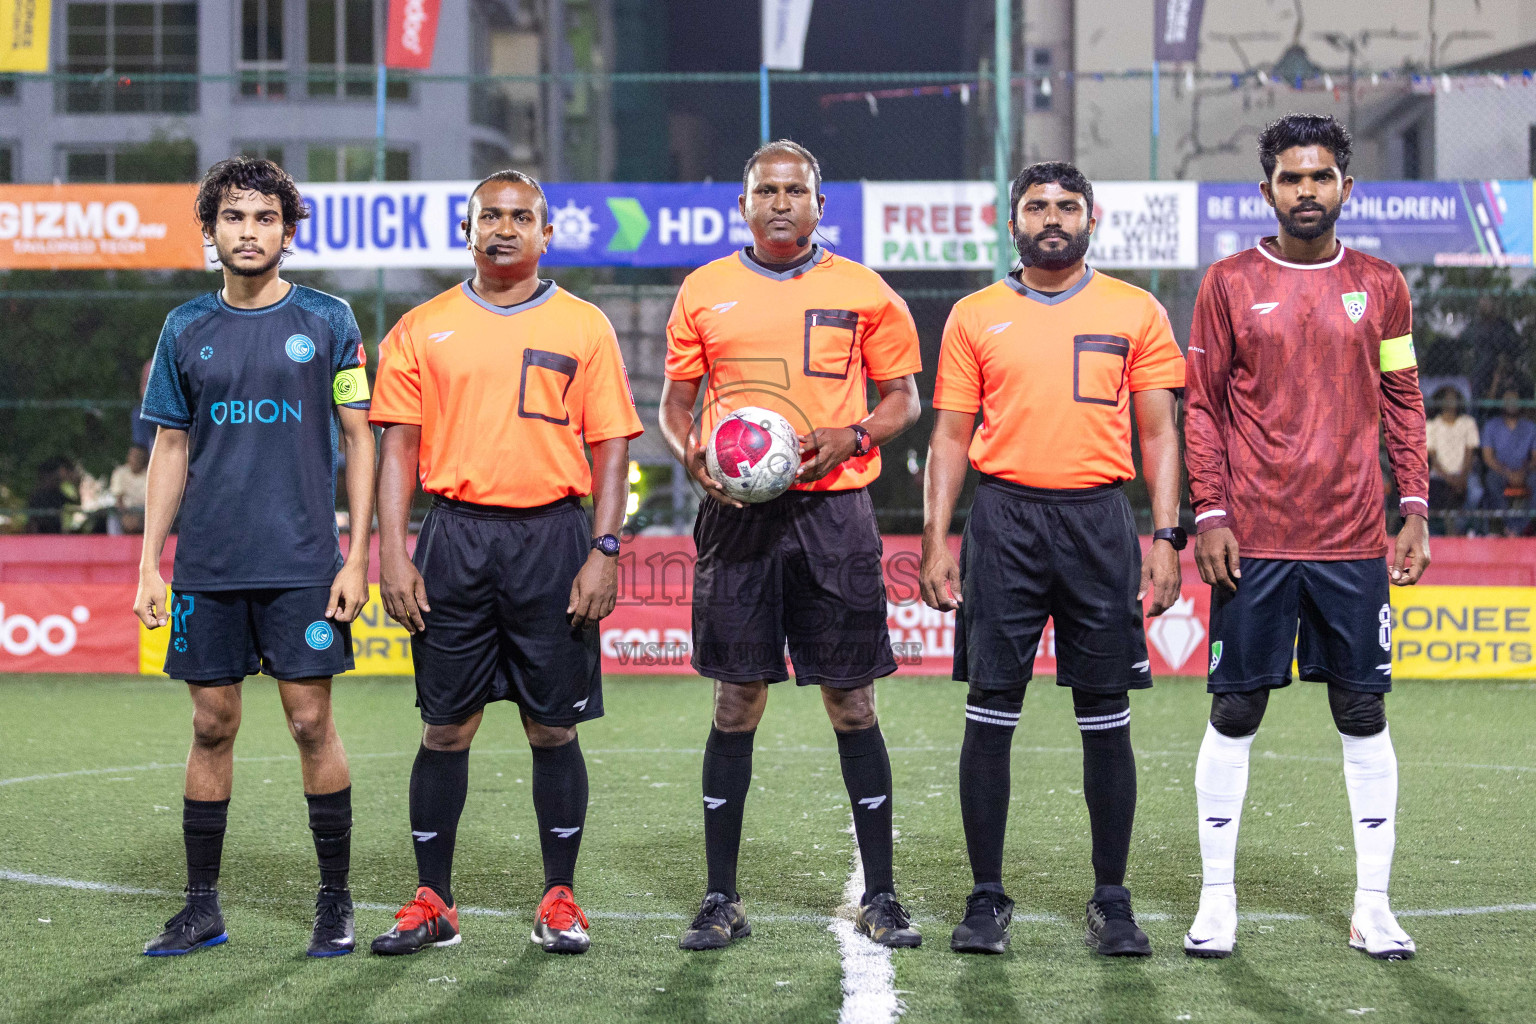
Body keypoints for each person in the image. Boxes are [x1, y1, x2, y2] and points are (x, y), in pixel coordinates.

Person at [368, 170, 641, 957]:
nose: (505, 227)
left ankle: (559, 896)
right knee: (444, 728)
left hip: (555, 539)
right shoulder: (422, 327)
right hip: (455, 539)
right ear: (467, 228)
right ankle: (434, 901)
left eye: (522, 216)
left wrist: (604, 548)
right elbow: (399, 449)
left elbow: (613, 443)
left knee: (552, 729)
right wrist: (395, 552)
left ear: (545, 234)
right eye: (490, 214)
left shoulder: (585, 325)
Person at [659, 140, 924, 950]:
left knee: (852, 701)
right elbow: (674, 407)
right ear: (743, 205)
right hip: (737, 519)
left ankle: (880, 894)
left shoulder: (864, 289)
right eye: (766, 190)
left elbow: (904, 401)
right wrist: (691, 455)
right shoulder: (703, 290)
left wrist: (855, 433)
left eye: (795, 190)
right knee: (736, 700)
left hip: (834, 516)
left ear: (819, 204)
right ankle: (719, 897)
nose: (780, 203)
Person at [920, 161, 1186, 957]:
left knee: (1105, 717)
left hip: (1100, 521)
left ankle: (1112, 900)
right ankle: (985, 899)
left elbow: (1160, 433)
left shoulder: (1135, 309)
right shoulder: (975, 314)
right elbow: (949, 437)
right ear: (1014, 224)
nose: (1052, 216)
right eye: (1036, 205)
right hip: (1003, 521)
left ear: (1092, 218)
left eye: (1067, 204)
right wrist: (936, 538)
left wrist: (1166, 535)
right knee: (991, 713)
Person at [1183, 114, 1430, 961]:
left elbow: (1402, 400)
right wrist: (1208, 513)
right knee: (1236, 707)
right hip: (1252, 539)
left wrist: (1417, 506)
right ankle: (1217, 903)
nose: (1307, 191)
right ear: (1267, 192)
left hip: (1355, 538)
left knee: (1362, 710)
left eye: (1322, 177)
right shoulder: (1227, 282)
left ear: (1345, 189)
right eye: (1292, 179)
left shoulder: (1382, 285)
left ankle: (1374, 905)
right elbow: (1204, 407)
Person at [133, 156, 376, 958]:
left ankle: (335, 903)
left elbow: (359, 439)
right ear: (211, 232)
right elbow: (170, 449)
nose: (249, 231)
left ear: (287, 231)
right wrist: (149, 565)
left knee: (312, 722)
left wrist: (358, 556)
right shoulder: (183, 329)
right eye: (234, 218)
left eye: (264, 217)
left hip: (305, 561)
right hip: (208, 563)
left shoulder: (332, 321)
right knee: (211, 724)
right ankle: (201, 907)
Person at [1423, 387, 1481, 535]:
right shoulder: (1432, 425)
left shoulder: (1468, 423)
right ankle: (1440, 532)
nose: (1450, 402)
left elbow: (1470, 453)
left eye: (1453, 398)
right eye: (1446, 398)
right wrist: (1450, 479)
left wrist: (1462, 477)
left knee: (1476, 493)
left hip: (1464, 473)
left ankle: (1460, 529)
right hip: (1440, 475)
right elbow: (1433, 460)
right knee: (1434, 493)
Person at [1480, 388, 1536, 535]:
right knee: (1491, 480)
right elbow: (1488, 457)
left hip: (1525, 471)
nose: (1512, 403)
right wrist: (1507, 473)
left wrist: (1523, 472)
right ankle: (1508, 526)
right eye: (1508, 400)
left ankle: (1519, 527)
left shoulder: (1530, 427)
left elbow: (1535, 457)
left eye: (1515, 400)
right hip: (1500, 471)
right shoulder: (1491, 425)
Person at [26, 456, 73, 534]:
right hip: (43, 538)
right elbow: (33, 521)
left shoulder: (58, 494)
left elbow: (76, 504)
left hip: (55, 537)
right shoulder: (38, 496)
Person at [110, 444, 150, 534]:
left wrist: (139, 517)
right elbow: (118, 499)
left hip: (144, 512)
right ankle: (114, 543)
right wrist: (125, 516)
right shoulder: (120, 473)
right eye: (133, 456)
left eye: (139, 457)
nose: (135, 459)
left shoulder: (150, 474)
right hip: (125, 510)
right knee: (112, 518)